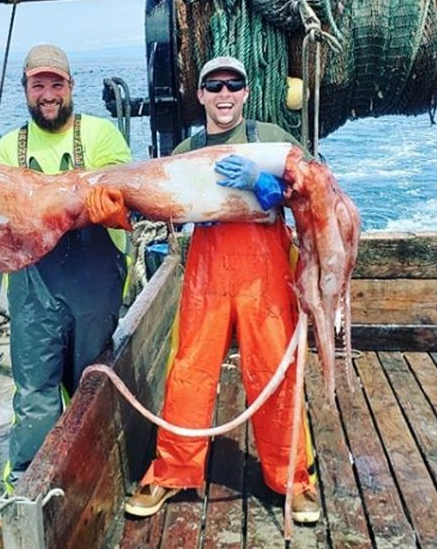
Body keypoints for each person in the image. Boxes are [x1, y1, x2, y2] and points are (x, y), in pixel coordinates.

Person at [124, 56, 320, 524]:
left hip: (266, 275)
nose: (224, 94)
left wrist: (269, 187)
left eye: (234, 85)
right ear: (201, 96)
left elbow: (314, 186)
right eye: (214, 86)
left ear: (246, 93)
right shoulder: (188, 147)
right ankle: (170, 473)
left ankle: (293, 479)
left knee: (275, 371)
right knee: (189, 368)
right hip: (207, 272)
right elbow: (160, 201)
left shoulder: (270, 137)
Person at [0, 44, 131, 491]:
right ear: (26, 90)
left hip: (93, 287)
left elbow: (125, 200)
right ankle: (28, 485)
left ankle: (95, 477)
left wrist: (104, 207)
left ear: (71, 86)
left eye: (56, 84)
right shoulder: (7, 147)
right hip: (33, 291)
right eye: (39, 85)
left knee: (90, 384)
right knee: (34, 394)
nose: (48, 94)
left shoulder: (102, 135)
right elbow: (0, 214)